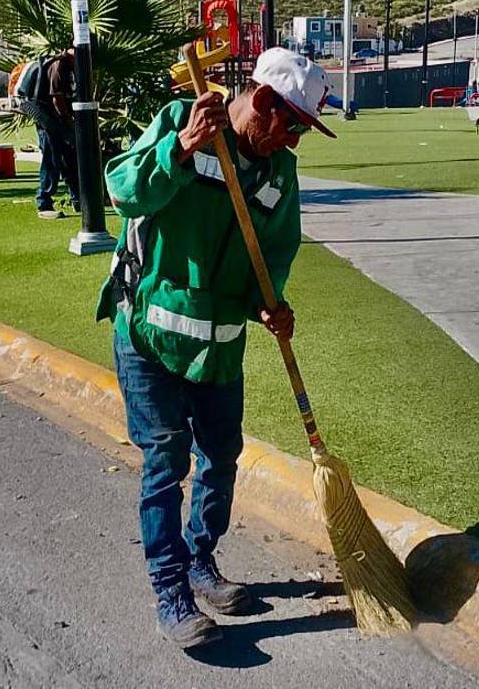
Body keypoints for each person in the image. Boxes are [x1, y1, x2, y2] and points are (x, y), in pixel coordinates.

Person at [95, 48, 336, 650]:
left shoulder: (278, 174)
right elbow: (123, 190)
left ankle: (202, 560)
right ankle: (170, 590)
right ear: (262, 101)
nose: (294, 141)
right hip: (149, 337)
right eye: (292, 125)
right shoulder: (185, 120)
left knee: (221, 457)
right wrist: (179, 148)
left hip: (220, 349)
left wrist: (268, 303)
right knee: (165, 463)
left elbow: (275, 252)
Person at [34, 48, 81, 219]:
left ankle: (78, 200)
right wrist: (68, 120)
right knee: (51, 160)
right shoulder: (58, 66)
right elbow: (56, 98)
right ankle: (43, 202)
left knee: (70, 159)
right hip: (49, 121)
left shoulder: (69, 66)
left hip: (58, 120)